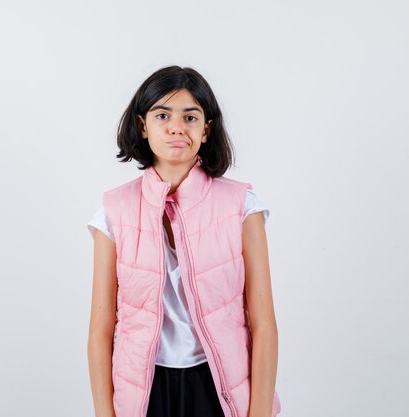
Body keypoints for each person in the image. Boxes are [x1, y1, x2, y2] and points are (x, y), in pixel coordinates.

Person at [86, 65, 281, 417]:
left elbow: (263, 323)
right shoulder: (113, 211)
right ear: (143, 126)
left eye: (190, 117)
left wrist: (261, 413)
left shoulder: (242, 206)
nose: (177, 126)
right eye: (163, 114)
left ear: (206, 130)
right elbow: (101, 330)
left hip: (218, 387)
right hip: (144, 392)